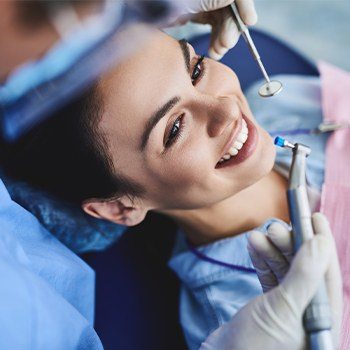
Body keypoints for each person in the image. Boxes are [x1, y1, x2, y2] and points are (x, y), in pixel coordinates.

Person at [1, 23, 343, 350]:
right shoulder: (234, 319)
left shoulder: (292, 106)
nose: (225, 108)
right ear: (120, 207)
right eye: (175, 129)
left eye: (195, 71)